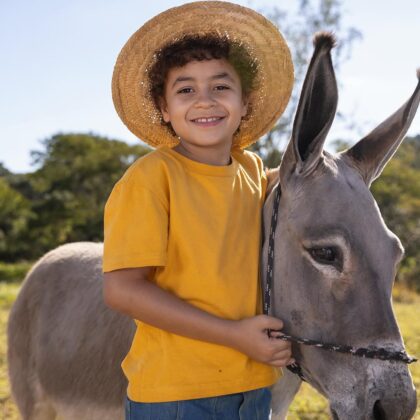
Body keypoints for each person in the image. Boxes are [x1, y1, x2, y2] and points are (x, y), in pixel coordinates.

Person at [103, 2, 294, 419]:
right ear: (165, 109)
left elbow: (296, 186)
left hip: (254, 386)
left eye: (221, 87)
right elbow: (122, 290)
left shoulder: (252, 169)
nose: (204, 101)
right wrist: (233, 335)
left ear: (245, 102)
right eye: (185, 90)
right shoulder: (152, 178)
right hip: (176, 394)